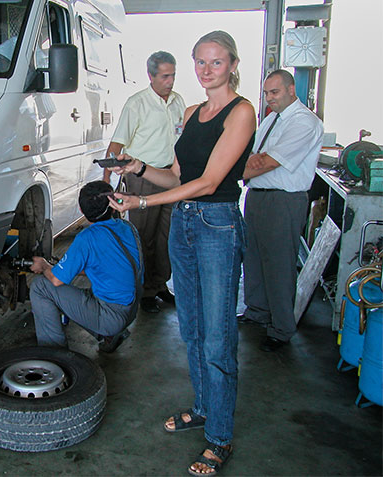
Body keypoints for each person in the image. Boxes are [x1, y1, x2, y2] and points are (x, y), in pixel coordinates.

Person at [107, 31, 255, 476]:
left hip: (217, 225)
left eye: (216, 62)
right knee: (191, 329)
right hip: (187, 225)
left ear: (232, 64)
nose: (206, 70)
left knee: (217, 337)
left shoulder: (242, 111)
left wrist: (143, 202)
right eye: (200, 62)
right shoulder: (190, 112)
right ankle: (204, 408)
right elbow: (176, 176)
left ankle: (220, 437)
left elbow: (210, 183)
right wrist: (138, 169)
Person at [240, 69, 324, 352]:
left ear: (291, 90)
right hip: (258, 196)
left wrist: (223, 172)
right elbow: (252, 154)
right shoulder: (271, 119)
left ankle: (281, 328)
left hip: (283, 201)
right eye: (266, 93)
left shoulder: (304, 123)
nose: (269, 98)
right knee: (253, 258)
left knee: (278, 264)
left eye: (274, 92)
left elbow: (265, 162)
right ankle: (257, 312)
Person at [103, 51, 186, 313]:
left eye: (173, 75)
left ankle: (160, 285)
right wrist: (106, 182)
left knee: (166, 237)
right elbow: (117, 142)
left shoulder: (178, 102)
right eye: (165, 76)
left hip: (171, 177)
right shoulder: (136, 103)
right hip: (142, 177)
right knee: (143, 236)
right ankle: (144, 290)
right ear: (151, 76)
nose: (170, 81)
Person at [29, 181, 142, 352]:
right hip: (131, 310)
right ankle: (110, 335)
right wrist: (61, 266)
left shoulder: (87, 237)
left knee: (41, 286)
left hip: (111, 315)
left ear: (81, 211)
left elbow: (56, 280)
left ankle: (52, 354)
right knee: (74, 290)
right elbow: (108, 269)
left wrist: (45, 266)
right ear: (112, 206)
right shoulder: (127, 227)